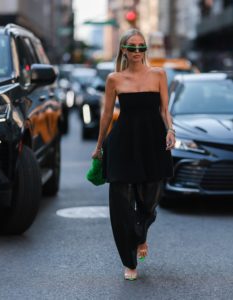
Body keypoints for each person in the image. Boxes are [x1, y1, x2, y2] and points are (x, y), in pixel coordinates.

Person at [91, 28, 175, 281]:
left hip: (152, 142)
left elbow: (164, 110)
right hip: (123, 142)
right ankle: (129, 262)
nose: (137, 51)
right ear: (124, 50)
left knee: (150, 200)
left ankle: (140, 237)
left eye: (142, 46)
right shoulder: (114, 79)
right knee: (121, 205)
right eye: (133, 46)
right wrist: (99, 147)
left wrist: (170, 130)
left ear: (145, 50)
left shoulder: (159, 74)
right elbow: (107, 116)